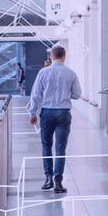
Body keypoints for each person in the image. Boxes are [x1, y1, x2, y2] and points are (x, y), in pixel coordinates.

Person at [28, 46, 82, 193]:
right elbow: (77, 94)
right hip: (63, 113)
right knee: (60, 148)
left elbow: (35, 95)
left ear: (51, 57)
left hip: (47, 113)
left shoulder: (43, 73)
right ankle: (58, 181)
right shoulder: (71, 73)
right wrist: (65, 93)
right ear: (64, 57)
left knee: (46, 145)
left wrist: (32, 113)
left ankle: (48, 179)